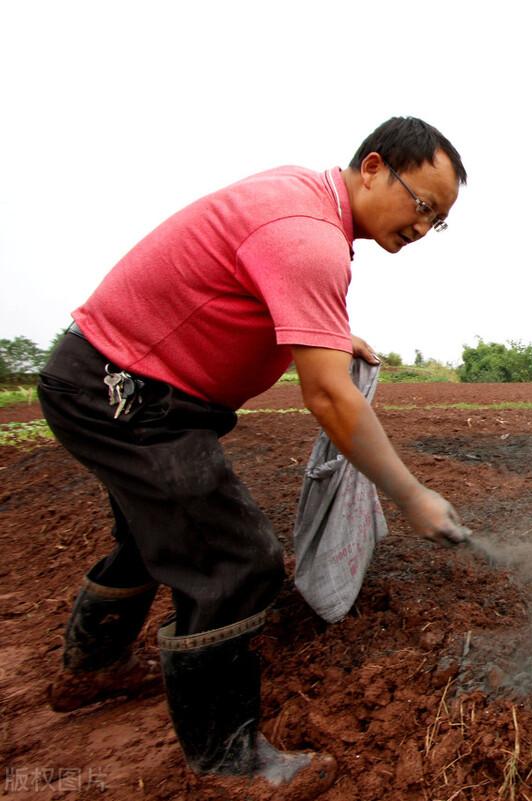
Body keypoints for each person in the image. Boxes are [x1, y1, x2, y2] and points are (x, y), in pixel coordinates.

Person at [37, 116, 471, 798]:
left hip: (102, 379)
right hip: (130, 396)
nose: (422, 229)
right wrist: (411, 494)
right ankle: (226, 761)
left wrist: (331, 333)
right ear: (375, 167)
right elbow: (329, 399)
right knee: (236, 560)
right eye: (422, 206)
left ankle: (91, 670)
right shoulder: (309, 237)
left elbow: (259, 288)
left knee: (155, 536)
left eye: (437, 222)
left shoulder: (301, 199)